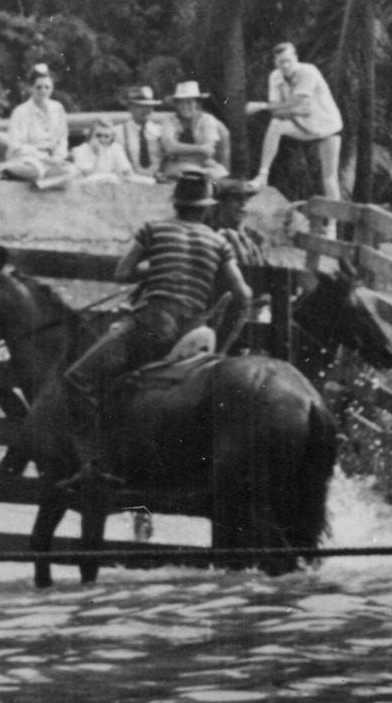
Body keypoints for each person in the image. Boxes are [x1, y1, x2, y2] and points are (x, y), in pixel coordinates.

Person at [61, 171, 252, 484]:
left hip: (151, 326)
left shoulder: (154, 229)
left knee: (78, 378)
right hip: (193, 335)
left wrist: (154, 268)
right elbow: (243, 295)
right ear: (206, 208)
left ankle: (93, 467)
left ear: (176, 203)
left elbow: (122, 273)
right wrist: (225, 345)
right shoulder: (218, 242)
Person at [248, 42, 343, 202]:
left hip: (327, 127)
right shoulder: (275, 76)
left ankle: (332, 226)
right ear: (275, 62)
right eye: (280, 62)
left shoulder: (309, 72)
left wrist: (261, 106)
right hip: (302, 124)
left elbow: (294, 102)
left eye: (288, 61)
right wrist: (293, 111)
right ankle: (263, 175)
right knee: (276, 124)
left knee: (329, 177)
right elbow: (277, 111)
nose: (285, 65)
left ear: (295, 58)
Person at [212, 178, 272, 350]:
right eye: (236, 199)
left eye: (246, 200)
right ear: (222, 203)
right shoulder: (215, 234)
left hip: (259, 306)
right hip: (226, 311)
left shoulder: (255, 238)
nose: (242, 205)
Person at [0, 65, 75, 190]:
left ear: (52, 88)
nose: (43, 91)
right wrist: (42, 157)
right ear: (31, 88)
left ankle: (40, 187)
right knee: (36, 171)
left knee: (70, 170)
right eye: (39, 87)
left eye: (47, 87)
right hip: (26, 160)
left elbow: (62, 138)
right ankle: (9, 171)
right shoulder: (21, 111)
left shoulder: (58, 108)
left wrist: (58, 157)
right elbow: (16, 145)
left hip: (50, 161)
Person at [161, 81, 231, 180]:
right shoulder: (169, 120)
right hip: (176, 164)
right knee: (194, 176)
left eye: (189, 102)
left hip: (205, 164)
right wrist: (200, 148)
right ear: (176, 105)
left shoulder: (207, 120)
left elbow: (209, 150)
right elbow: (169, 147)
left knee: (221, 175)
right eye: (181, 102)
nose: (185, 106)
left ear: (197, 103)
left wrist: (179, 148)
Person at [71, 120, 152, 184]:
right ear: (91, 135)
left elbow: (128, 172)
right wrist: (97, 154)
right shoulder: (80, 150)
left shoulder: (115, 148)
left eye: (106, 136)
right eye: (98, 135)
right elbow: (88, 177)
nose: (102, 139)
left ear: (111, 137)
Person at [119, 86, 171, 182]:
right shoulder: (118, 133)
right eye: (141, 106)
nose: (147, 110)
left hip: (158, 183)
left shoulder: (160, 131)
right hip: (129, 183)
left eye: (150, 106)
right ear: (130, 107)